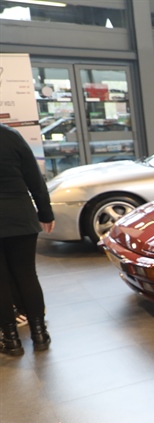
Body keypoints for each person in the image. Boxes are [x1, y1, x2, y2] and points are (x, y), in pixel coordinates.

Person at [0, 123, 55, 356]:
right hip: (21, 216)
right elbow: (35, 179)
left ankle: (11, 340)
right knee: (27, 275)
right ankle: (40, 334)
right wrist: (46, 213)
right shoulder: (10, 136)